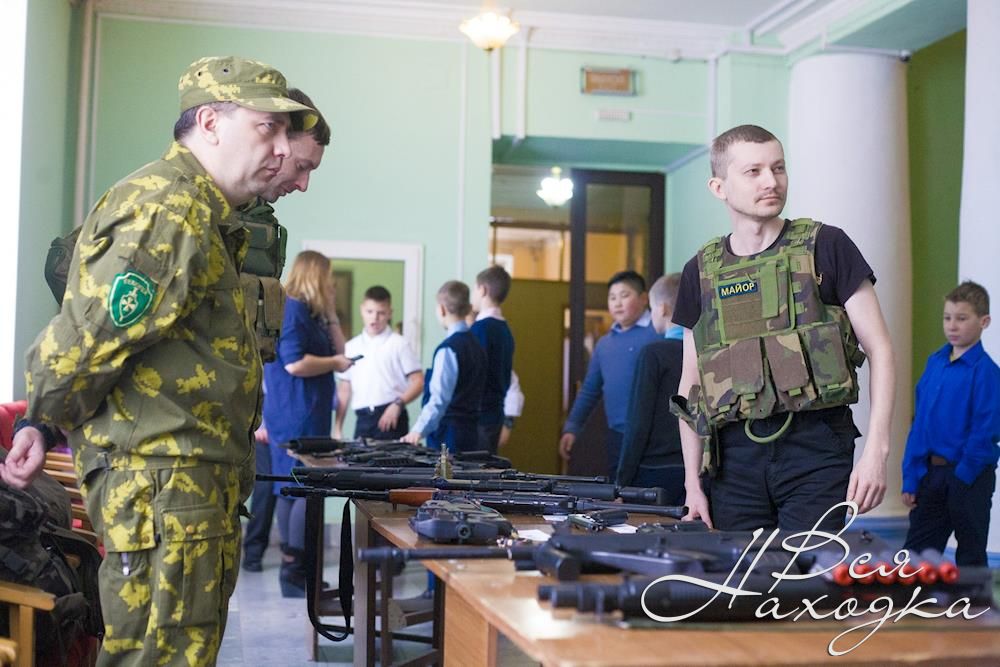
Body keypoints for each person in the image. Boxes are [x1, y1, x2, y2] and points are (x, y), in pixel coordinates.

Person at [5, 56, 312, 665]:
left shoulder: (209, 213)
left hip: (186, 487)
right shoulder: (169, 208)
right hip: (163, 486)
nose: (282, 149)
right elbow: (85, 341)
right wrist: (42, 419)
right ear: (210, 122)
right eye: (268, 128)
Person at [672, 124, 895, 533]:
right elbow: (690, 385)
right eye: (753, 171)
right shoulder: (699, 271)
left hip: (816, 448)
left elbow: (880, 349)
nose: (771, 182)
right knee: (739, 572)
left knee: (808, 569)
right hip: (733, 460)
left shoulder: (827, 246)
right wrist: (692, 483)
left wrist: (877, 453)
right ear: (719, 187)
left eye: (778, 168)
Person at [242, 87, 331, 574]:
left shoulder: (257, 227)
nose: (303, 183)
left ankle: (290, 566)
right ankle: (293, 567)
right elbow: (291, 362)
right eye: (302, 167)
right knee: (291, 492)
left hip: (256, 428)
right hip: (284, 418)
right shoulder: (183, 210)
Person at [264, 250, 353, 596]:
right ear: (315, 275)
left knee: (298, 486)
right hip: (295, 413)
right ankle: (294, 571)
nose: (331, 283)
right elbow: (294, 364)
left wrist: (330, 313)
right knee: (300, 486)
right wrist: (333, 363)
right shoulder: (293, 309)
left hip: (309, 412)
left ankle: (301, 571)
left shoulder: (313, 313)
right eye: (327, 276)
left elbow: (342, 353)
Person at [901, 281, 999, 566]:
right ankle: (915, 596)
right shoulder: (935, 363)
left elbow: (985, 431)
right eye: (947, 318)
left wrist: (962, 476)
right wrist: (911, 476)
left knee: (970, 555)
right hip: (931, 476)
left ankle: (973, 596)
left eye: (962, 318)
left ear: (984, 322)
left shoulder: (988, 373)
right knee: (915, 555)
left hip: (969, 478)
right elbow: (920, 426)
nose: (952, 326)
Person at [559, 271, 660, 479]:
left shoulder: (658, 333)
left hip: (654, 437)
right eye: (612, 297)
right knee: (619, 489)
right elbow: (590, 390)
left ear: (644, 298)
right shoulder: (605, 344)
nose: (617, 303)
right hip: (617, 435)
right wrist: (572, 427)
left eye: (624, 295)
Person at [616, 274, 685, 503]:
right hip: (697, 471)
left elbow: (638, 421)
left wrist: (622, 481)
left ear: (662, 308)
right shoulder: (705, 354)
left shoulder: (653, 354)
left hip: (654, 470)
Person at [402, 281, 486, 453]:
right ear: (468, 308)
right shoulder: (477, 345)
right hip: (472, 433)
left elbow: (439, 399)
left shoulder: (448, 349)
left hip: (448, 436)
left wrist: (417, 431)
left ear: (441, 309)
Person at [335, 286, 424, 440]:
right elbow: (344, 389)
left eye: (381, 313)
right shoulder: (351, 347)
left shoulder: (399, 344)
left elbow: (419, 381)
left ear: (389, 313)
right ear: (362, 310)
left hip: (392, 416)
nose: (374, 318)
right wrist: (337, 427)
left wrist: (398, 404)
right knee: (358, 456)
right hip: (363, 419)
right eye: (370, 311)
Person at [470, 265, 516, 453]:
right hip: (495, 415)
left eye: (474, 289)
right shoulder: (505, 331)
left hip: (478, 417)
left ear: (482, 290)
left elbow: (473, 376)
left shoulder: (480, 330)